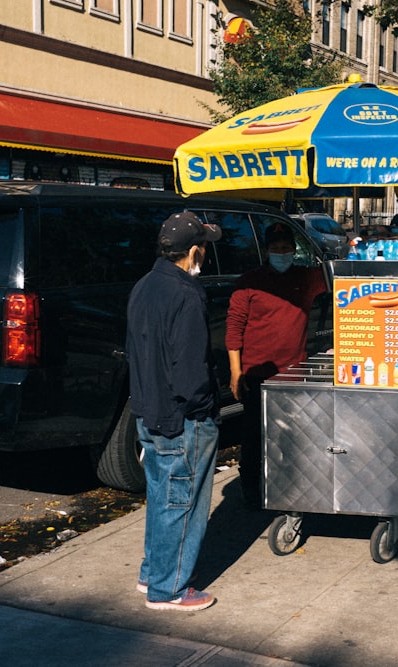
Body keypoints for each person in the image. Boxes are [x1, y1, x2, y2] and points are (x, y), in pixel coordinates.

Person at [126, 211, 222, 611]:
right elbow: (190, 367)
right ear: (193, 251)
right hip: (181, 416)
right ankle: (168, 588)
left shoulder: (144, 285)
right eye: (204, 247)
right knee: (181, 500)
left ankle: (154, 572)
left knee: (162, 496)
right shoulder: (186, 294)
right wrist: (204, 410)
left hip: (148, 410)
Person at [226, 222, 327, 509]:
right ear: (267, 250)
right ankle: (252, 490)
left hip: (293, 372)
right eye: (276, 248)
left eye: (286, 248)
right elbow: (234, 329)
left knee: (291, 435)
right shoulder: (249, 282)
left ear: (294, 250)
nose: (281, 253)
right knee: (255, 434)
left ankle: (287, 486)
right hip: (257, 373)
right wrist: (236, 371)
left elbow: (339, 278)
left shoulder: (306, 278)